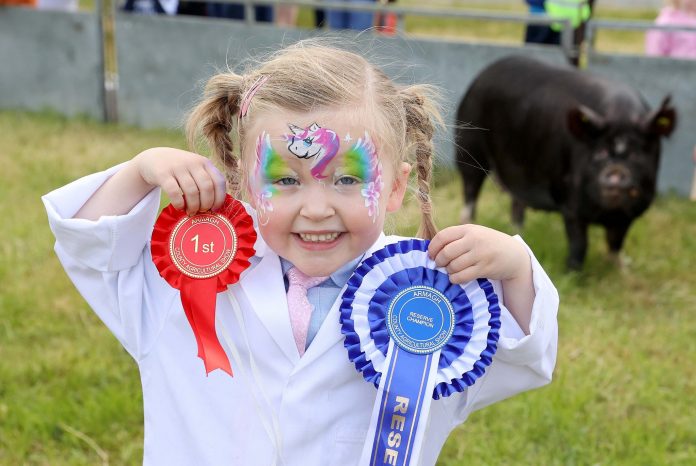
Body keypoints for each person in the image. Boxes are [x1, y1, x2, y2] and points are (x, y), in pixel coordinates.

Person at [43, 41, 559, 465]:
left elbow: (524, 353)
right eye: (285, 179)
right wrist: (140, 170)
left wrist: (514, 268)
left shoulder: (433, 298)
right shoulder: (189, 273)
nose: (315, 208)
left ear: (396, 187)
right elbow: (91, 245)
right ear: (243, 181)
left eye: (348, 179)